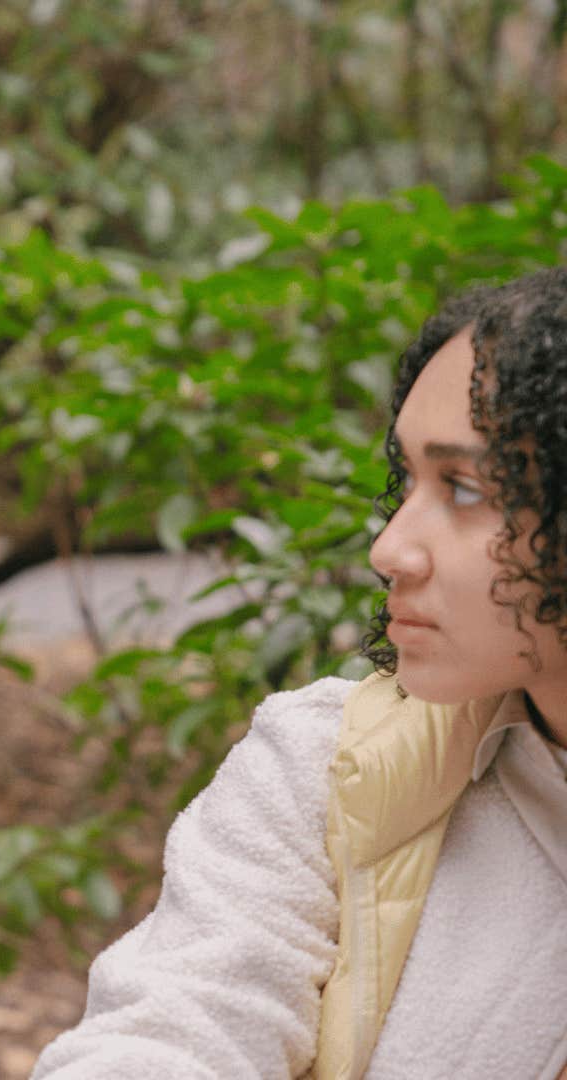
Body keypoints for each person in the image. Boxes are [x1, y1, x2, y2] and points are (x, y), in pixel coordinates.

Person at [31, 266, 567, 1079]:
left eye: (463, 488)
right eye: (408, 480)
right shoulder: (329, 763)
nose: (389, 549)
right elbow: (176, 1026)